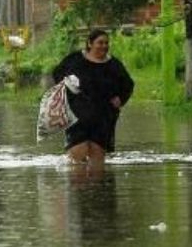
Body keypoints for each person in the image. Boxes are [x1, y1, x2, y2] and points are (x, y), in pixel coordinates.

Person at [52, 29, 134, 166]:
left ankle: (97, 185)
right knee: (78, 157)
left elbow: (128, 84)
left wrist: (120, 98)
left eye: (106, 43)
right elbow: (57, 74)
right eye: (100, 43)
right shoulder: (75, 59)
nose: (104, 46)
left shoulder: (113, 64)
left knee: (97, 158)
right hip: (77, 113)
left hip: (103, 115)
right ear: (90, 43)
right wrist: (67, 86)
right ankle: (80, 184)